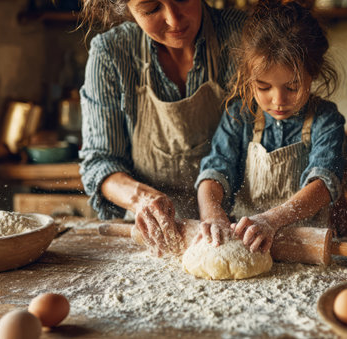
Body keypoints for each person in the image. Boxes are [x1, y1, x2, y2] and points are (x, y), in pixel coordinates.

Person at [78, 0, 246, 256]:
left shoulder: (244, 36)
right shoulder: (111, 52)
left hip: (241, 232)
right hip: (153, 240)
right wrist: (141, 199)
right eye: (151, 9)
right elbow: (100, 163)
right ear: (127, 9)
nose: (174, 20)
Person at [195, 0, 347, 254]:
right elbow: (214, 171)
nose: (278, 100)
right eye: (264, 87)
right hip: (246, 248)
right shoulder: (240, 116)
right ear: (249, 78)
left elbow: (324, 184)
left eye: (292, 87)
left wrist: (271, 220)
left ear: (313, 73)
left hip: (306, 250)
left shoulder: (325, 119)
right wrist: (211, 212)